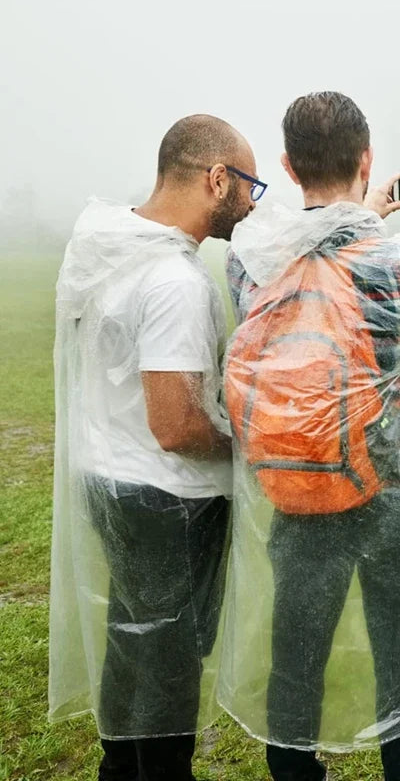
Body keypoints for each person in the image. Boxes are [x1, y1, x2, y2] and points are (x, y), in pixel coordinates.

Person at [219, 92, 400, 781]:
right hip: (395, 493)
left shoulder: (252, 262)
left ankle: (295, 773)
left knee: (297, 652)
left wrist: (352, 217)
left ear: (287, 166)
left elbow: (309, 267)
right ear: (367, 159)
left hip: (298, 487)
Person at [48, 114, 265, 781]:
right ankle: (160, 770)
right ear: (216, 178)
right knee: (170, 652)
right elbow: (175, 424)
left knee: (132, 633)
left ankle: (119, 764)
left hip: (107, 473)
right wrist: (243, 448)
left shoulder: (113, 246)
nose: (253, 205)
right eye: (248, 186)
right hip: (166, 495)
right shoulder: (173, 279)